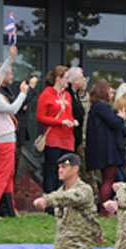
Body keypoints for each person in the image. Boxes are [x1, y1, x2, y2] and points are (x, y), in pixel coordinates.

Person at [0, 49, 36, 218]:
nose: (0, 79)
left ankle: (10, 208)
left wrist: (9, 59)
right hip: (3, 139)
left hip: (3, 138)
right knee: (3, 176)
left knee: (8, 175)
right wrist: (23, 93)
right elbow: (12, 109)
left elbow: (0, 73)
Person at [85, 82, 126, 211]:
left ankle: (104, 208)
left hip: (101, 149)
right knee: (108, 179)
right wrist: (121, 117)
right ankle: (105, 209)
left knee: (106, 179)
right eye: (110, 92)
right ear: (104, 93)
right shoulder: (101, 107)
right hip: (107, 150)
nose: (112, 94)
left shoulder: (95, 107)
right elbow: (115, 123)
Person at [36, 66, 77, 194]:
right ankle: (50, 202)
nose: (68, 81)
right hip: (53, 139)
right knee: (52, 170)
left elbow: (69, 114)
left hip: (67, 138)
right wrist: (60, 122)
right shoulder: (46, 94)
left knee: (65, 172)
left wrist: (72, 121)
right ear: (58, 78)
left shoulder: (67, 95)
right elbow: (40, 117)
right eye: (66, 78)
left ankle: (61, 201)